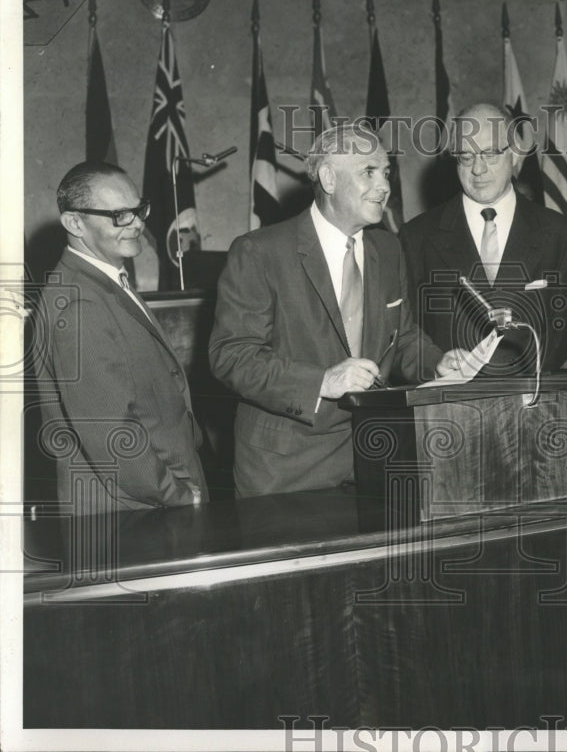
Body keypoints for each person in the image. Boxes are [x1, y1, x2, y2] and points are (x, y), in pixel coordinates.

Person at [209, 124, 467, 498]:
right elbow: (232, 356)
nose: (386, 187)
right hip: (286, 471)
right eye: (369, 172)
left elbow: (404, 336)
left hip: (376, 456)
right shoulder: (260, 252)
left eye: (386, 173)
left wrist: (438, 363)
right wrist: (322, 383)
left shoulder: (388, 249)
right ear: (328, 178)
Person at [33, 162, 207, 513]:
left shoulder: (105, 280)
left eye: (138, 210)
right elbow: (113, 434)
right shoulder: (80, 305)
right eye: (119, 215)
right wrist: (178, 495)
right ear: (75, 223)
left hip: (149, 500)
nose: (137, 224)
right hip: (132, 511)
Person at [400, 103, 567, 375]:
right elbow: (404, 329)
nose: (478, 169)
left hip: (529, 399)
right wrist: (435, 366)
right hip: (446, 403)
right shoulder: (416, 236)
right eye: (466, 156)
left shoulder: (559, 232)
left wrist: (517, 381)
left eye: (490, 154)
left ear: (515, 155)